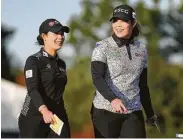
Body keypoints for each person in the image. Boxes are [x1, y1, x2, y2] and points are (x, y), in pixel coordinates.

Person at [90, 4, 158, 138]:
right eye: (115, 21)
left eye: (124, 20)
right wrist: (113, 99)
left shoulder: (142, 49)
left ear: (133, 23)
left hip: (133, 111)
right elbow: (97, 77)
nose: (118, 25)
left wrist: (149, 113)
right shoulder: (102, 46)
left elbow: (142, 85)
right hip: (105, 111)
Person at [18, 18, 71, 138]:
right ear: (44, 36)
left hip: (55, 117)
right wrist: (44, 110)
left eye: (62, 33)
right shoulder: (34, 61)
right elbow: (32, 89)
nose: (60, 37)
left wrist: (62, 115)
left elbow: (58, 94)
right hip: (33, 118)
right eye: (56, 33)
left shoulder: (61, 64)